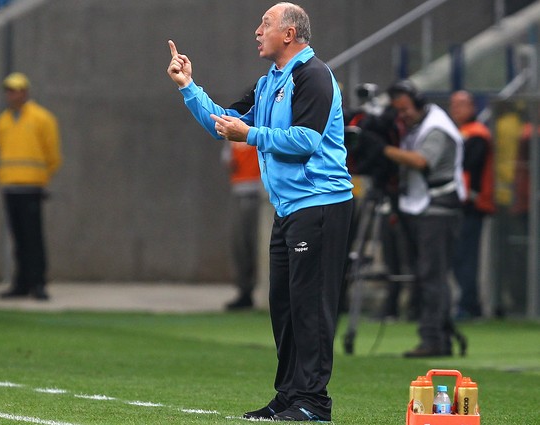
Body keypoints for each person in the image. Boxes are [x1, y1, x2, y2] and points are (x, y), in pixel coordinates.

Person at [167, 3, 354, 421]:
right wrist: (188, 87)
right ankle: (289, 396)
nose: (256, 31)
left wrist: (250, 134)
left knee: (311, 306)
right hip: (289, 208)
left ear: (289, 34)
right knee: (284, 306)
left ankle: (313, 403)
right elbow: (226, 121)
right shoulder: (270, 81)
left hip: (321, 204)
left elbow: (305, 139)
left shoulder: (314, 75)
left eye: (265, 24)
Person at [383, 80, 465, 357]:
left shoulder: (436, 127)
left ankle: (435, 339)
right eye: (397, 110)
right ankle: (439, 334)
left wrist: (382, 149)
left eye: (404, 109)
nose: (401, 115)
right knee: (426, 273)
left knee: (432, 274)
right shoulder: (421, 124)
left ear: (418, 103)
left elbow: (421, 161)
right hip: (424, 205)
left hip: (439, 206)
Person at [0, 72, 62, 301]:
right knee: (19, 239)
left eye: (15, 90)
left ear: (25, 92)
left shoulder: (42, 118)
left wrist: (41, 176)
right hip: (10, 185)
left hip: (32, 186)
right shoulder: (3, 121)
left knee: (34, 238)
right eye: (8, 91)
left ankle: (38, 283)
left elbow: (52, 153)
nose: (11, 95)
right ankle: (21, 282)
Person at [448, 90, 495, 319]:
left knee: (466, 257)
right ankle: (466, 302)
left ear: (472, 107)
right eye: (453, 105)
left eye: (461, 105)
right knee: (459, 256)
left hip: (472, 205)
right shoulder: (459, 132)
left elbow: (470, 168)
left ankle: (469, 305)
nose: (456, 109)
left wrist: (468, 196)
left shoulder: (477, 133)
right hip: (461, 203)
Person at [222, 89, 263, 311]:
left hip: (260, 192)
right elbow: (229, 162)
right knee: (240, 243)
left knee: (258, 243)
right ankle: (244, 289)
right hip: (239, 191)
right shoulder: (233, 131)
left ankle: (260, 288)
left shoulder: (262, 129)